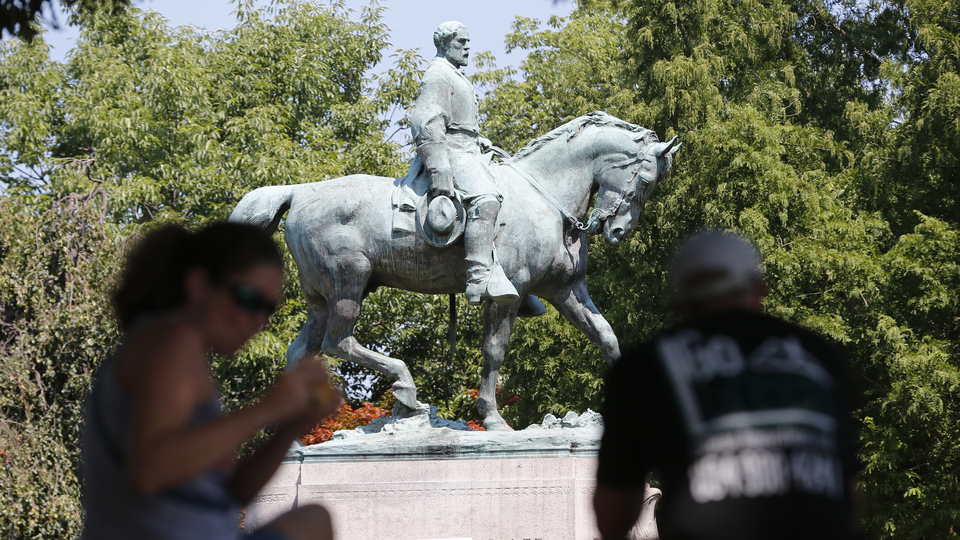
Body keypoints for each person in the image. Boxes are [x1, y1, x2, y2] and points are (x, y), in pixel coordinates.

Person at [594, 230, 860, 540]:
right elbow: (850, 490)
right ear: (759, 290)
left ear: (678, 304)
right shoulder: (822, 356)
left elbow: (612, 517)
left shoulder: (645, 365)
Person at [81, 222, 340, 540]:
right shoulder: (171, 340)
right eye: (248, 299)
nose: (258, 320)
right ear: (199, 285)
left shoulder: (172, 347)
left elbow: (229, 496)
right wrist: (268, 407)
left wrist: (291, 426)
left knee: (313, 520)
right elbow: (150, 470)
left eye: (267, 309)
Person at [410, 20, 519, 306]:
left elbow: (459, 123)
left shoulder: (454, 74)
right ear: (445, 44)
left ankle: (518, 276)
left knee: (514, 194)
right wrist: (439, 168)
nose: (468, 47)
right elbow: (427, 123)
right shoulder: (438, 75)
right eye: (462, 42)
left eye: (468, 42)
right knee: (486, 200)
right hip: (452, 153)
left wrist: (477, 139)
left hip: (469, 149)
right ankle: (479, 277)